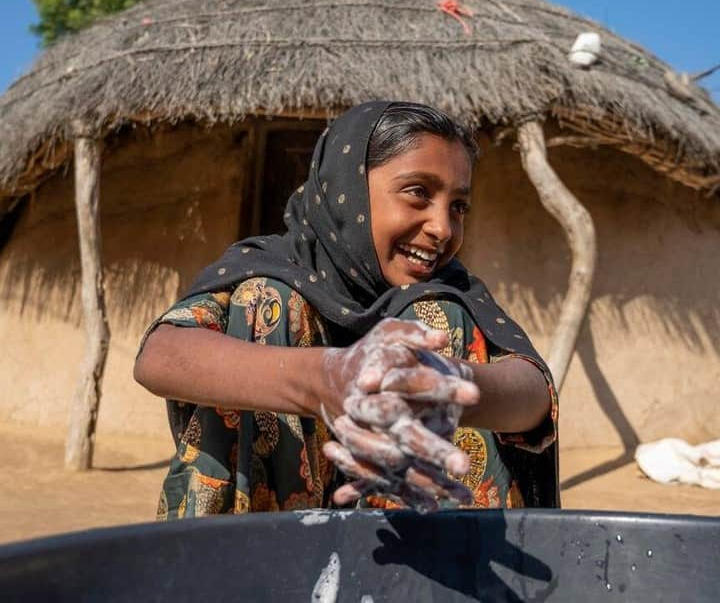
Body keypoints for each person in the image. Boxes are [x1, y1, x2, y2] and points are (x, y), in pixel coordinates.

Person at [135, 101, 559, 518]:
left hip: (416, 550)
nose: (442, 228)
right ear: (347, 188)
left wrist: (442, 385)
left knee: (444, 317)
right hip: (264, 556)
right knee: (269, 302)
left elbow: (533, 391)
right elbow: (160, 355)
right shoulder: (268, 268)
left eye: (458, 206)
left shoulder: (452, 293)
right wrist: (329, 379)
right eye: (418, 193)